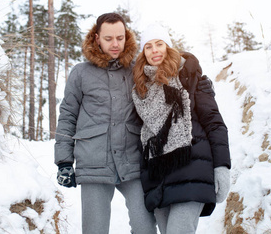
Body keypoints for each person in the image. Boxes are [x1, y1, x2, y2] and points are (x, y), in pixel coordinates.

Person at [54, 13, 157, 234]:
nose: (115, 44)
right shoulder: (80, 73)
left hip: (132, 162)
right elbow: (68, 115)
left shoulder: (136, 69)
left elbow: (166, 71)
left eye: (120, 38)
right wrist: (64, 162)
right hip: (94, 162)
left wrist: (195, 80)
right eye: (108, 38)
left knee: (145, 227)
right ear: (96, 37)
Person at [131, 23, 231, 234]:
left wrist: (222, 167)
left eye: (159, 44)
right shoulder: (140, 91)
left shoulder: (191, 78)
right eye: (148, 46)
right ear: (143, 53)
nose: (154, 50)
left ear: (168, 46)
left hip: (192, 170)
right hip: (158, 178)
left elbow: (214, 123)